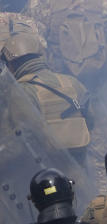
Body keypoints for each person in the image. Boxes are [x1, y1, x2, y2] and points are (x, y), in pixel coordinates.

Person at [1, 33, 92, 165]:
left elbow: (20, 140)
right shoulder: (71, 82)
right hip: (80, 166)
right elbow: (90, 120)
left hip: (44, 169)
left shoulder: (20, 92)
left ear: (11, 64)